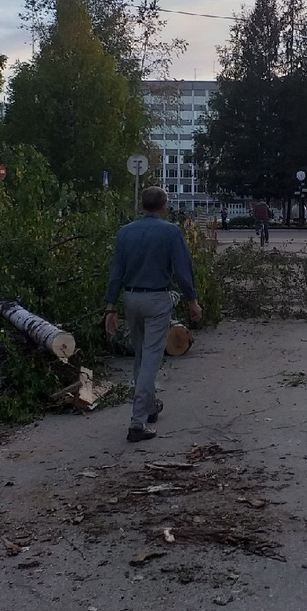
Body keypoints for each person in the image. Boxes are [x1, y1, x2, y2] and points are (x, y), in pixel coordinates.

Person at [104, 186, 203, 443]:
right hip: (157, 299)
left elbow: (116, 272)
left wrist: (111, 307)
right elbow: (182, 270)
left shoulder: (125, 233)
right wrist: (192, 301)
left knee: (140, 356)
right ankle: (136, 424)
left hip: (131, 298)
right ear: (164, 206)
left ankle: (148, 408)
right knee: (150, 360)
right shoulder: (171, 232)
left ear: (141, 205)